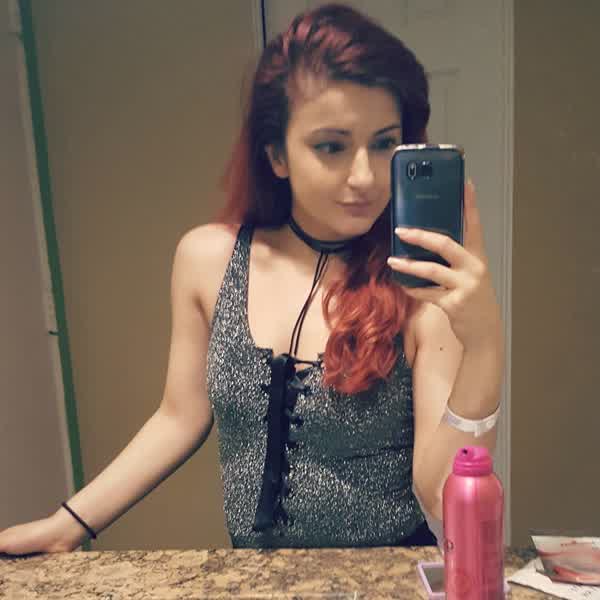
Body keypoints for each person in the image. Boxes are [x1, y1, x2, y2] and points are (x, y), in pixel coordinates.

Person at [0, 3, 503, 553]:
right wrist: (68, 524)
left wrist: (483, 345)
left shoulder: (420, 286)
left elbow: (441, 497)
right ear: (276, 155)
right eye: (331, 146)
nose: (364, 176)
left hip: (384, 578)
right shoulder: (207, 261)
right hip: (256, 578)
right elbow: (179, 417)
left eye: (384, 143)